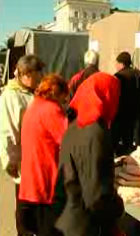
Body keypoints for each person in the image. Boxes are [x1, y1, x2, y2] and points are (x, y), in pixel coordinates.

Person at [54, 72, 125, 236]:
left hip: (66, 217)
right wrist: (117, 206)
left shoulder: (74, 125)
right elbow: (96, 197)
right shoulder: (96, 132)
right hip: (84, 225)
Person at [18, 74, 68, 236]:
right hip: (45, 179)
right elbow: (68, 141)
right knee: (48, 228)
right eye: (63, 98)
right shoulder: (51, 110)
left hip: (30, 178)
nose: (64, 103)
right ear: (56, 93)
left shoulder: (35, 106)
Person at [0, 54, 44, 236]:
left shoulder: (30, 91)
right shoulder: (11, 96)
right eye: (38, 74)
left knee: (36, 203)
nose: (41, 77)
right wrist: (11, 161)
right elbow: (7, 133)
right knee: (25, 205)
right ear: (25, 74)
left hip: (37, 159)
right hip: (24, 161)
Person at [112, 51, 140, 155]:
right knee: (129, 140)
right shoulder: (138, 74)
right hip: (135, 112)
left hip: (121, 113)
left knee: (116, 140)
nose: (116, 66)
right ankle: (129, 158)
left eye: (116, 63)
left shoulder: (118, 76)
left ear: (121, 63)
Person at [67, 50, 99, 121]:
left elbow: (70, 98)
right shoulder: (103, 77)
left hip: (79, 117)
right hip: (98, 119)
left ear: (85, 63)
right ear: (97, 62)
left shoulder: (76, 78)